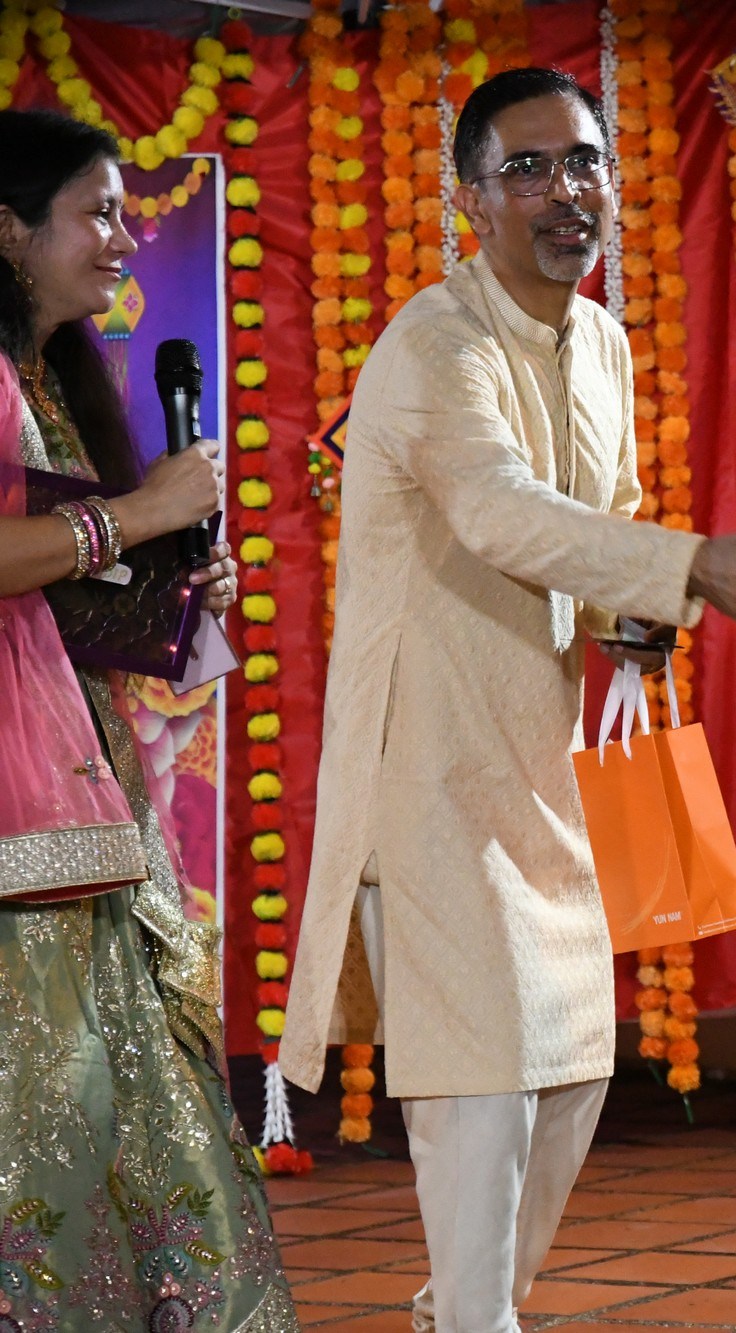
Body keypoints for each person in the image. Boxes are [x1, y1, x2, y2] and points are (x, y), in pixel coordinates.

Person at [277, 68, 736, 1333]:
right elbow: (497, 511)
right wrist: (692, 567)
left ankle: (460, 1313)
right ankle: (476, 1318)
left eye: (582, 162)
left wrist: (645, 617)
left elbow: (604, 516)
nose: (562, 190)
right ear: (470, 200)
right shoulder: (434, 342)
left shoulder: (602, 344)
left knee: (572, 1073)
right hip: (427, 768)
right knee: (481, 1084)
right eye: (524, 169)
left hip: (544, 765)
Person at [0, 108, 297, 1330]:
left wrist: (171, 586)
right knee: (46, 1100)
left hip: (87, 776)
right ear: (8, 229)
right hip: (17, 806)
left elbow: (63, 596)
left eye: (128, 213)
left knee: (139, 1091)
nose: (125, 237)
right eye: (99, 213)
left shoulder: (58, 377)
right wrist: (133, 517)